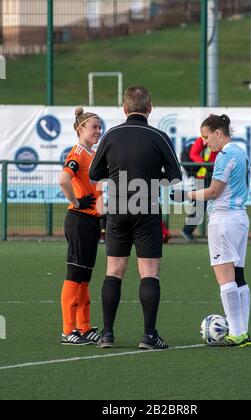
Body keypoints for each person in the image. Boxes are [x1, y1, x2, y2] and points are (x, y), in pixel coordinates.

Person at [89, 86, 182, 350]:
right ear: (150, 107)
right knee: (149, 273)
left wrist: (119, 175)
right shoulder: (159, 136)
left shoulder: (111, 135)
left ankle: (107, 335)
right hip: (147, 207)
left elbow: (95, 172)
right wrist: (152, 178)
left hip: (117, 209)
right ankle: (149, 336)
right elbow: (175, 176)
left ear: (124, 108)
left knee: (113, 271)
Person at [173, 114, 251, 347]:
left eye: (206, 137)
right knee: (238, 277)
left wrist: (185, 195)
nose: (205, 142)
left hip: (224, 219)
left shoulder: (225, 155)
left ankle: (236, 333)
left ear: (218, 133)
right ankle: (243, 331)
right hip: (239, 218)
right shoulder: (242, 152)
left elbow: (215, 191)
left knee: (225, 278)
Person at [58, 107, 103, 345]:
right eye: (94, 127)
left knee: (85, 277)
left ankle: (83, 327)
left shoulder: (93, 154)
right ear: (80, 129)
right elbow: (63, 179)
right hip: (79, 220)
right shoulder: (77, 153)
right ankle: (68, 330)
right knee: (75, 274)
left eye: (99, 126)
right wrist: (76, 202)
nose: (98, 130)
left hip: (91, 221)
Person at [181, 136, 218, 242]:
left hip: (213, 175)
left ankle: (188, 231)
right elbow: (193, 153)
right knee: (201, 206)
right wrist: (205, 164)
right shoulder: (202, 139)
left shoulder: (220, 140)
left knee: (204, 205)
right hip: (203, 177)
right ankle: (187, 230)